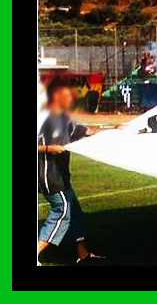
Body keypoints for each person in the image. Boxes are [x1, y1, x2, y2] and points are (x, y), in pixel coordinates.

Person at [37, 79, 103, 265]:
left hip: (61, 177)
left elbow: (85, 131)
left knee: (74, 213)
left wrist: (112, 132)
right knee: (62, 213)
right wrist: (49, 148)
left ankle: (83, 254)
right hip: (50, 177)